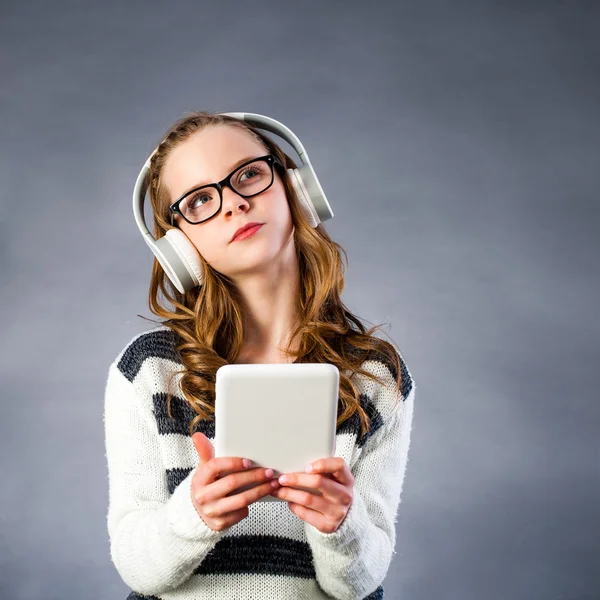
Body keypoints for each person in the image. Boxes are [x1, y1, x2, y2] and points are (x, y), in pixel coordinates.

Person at [103, 111, 416, 600]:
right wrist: (193, 517)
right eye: (202, 199)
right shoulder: (149, 370)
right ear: (179, 245)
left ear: (295, 188)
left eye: (249, 174)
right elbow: (136, 566)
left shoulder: (377, 376)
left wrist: (343, 527)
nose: (234, 204)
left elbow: (359, 582)